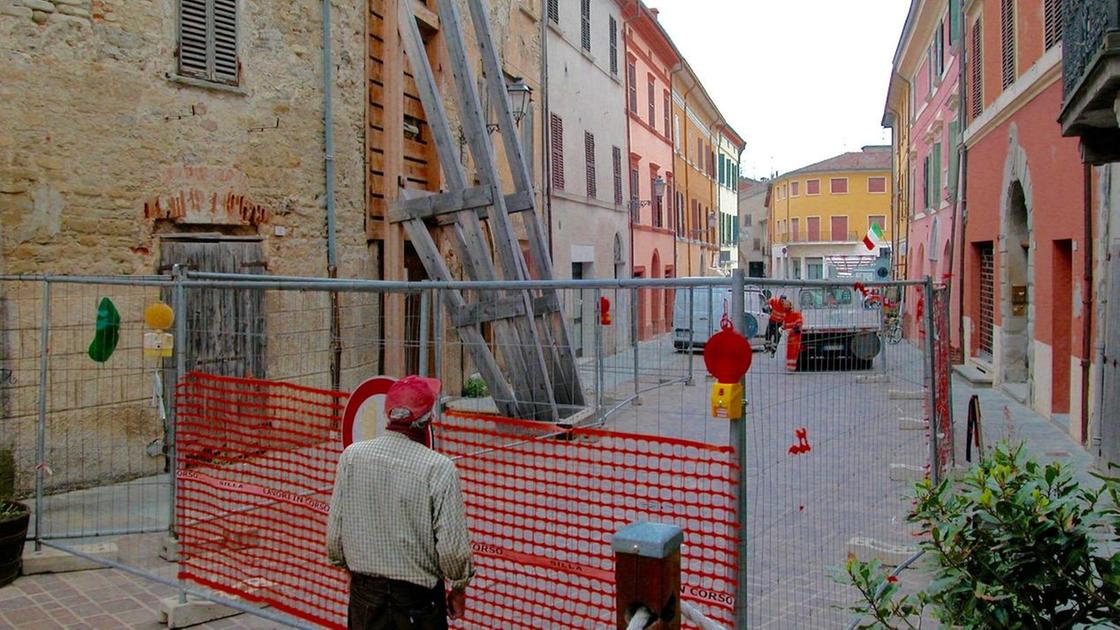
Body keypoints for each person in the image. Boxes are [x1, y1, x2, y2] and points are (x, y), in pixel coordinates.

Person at [327, 375, 474, 630]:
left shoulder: (352, 458)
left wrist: (354, 574)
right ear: (429, 419)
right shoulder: (438, 468)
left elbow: (335, 539)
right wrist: (459, 587)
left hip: (365, 598)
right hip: (418, 602)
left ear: (387, 414)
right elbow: (452, 549)